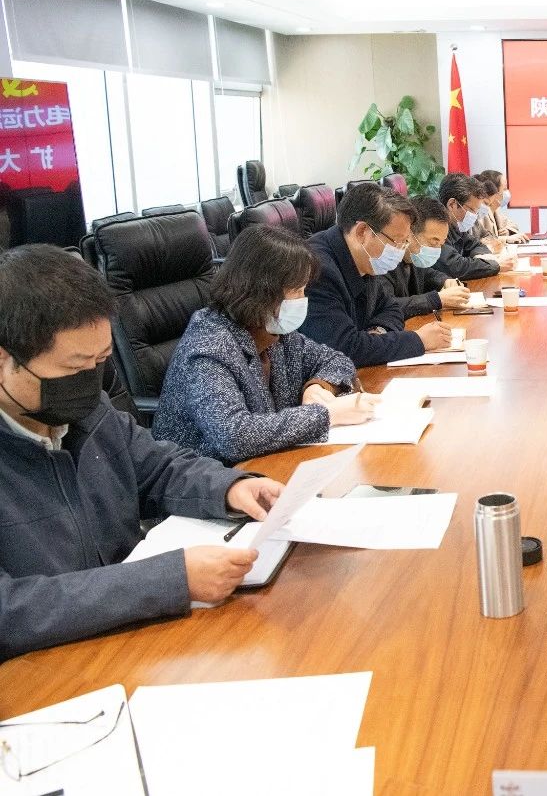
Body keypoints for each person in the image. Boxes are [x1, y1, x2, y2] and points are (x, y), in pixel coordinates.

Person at [0, 245, 284, 659]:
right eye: (74, 367)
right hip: (44, 669)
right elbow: (9, 610)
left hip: (127, 640)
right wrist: (168, 580)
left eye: (101, 361)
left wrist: (229, 488)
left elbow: (159, 467)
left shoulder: (90, 412)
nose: (90, 382)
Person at [153, 224, 377, 464]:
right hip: (203, 477)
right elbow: (234, 436)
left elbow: (337, 360)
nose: (303, 300)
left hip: (263, 463)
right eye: (296, 291)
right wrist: (326, 414)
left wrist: (318, 386)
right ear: (261, 291)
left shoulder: (273, 331)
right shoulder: (209, 347)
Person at [299, 183, 451, 367]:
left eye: (404, 242)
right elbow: (343, 348)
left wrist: (378, 333)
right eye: (397, 242)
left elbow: (392, 308)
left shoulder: (365, 259)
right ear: (362, 232)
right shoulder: (317, 270)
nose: (400, 250)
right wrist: (418, 340)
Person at [382, 197, 471, 319]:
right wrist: (436, 299)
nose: (437, 250)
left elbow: (428, 274)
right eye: (433, 242)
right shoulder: (383, 261)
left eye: (441, 243)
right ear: (408, 232)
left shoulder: (414, 259)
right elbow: (386, 306)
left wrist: (446, 281)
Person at [435, 173, 510, 281]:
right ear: (452, 204)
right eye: (471, 210)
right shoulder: (435, 228)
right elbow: (455, 266)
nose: (475, 216)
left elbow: (477, 245)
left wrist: (483, 260)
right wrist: (495, 265)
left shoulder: (457, 227)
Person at [476, 168, 528, 242]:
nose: (507, 193)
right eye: (504, 189)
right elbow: (478, 240)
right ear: (493, 191)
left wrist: (508, 231)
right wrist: (505, 239)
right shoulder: (481, 212)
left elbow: (513, 225)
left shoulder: (496, 210)